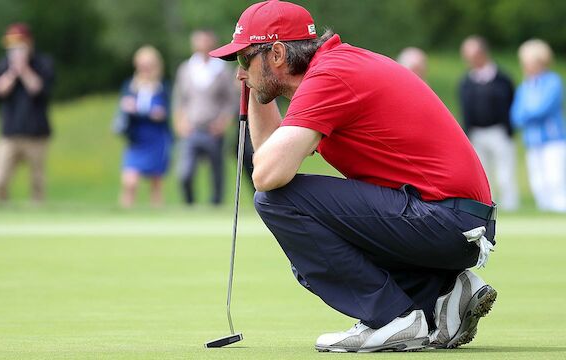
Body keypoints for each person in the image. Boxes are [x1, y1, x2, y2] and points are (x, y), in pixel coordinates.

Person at [210, 0, 497, 353]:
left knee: (280, 203)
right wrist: (257, 90)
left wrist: (256, 90)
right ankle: (442, 292)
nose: (239, 74)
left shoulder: (329, 77)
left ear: (278, 55)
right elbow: (272, 153)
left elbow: (268, 176)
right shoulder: (334, 67)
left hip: (446, 219)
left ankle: (392, 318)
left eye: (244, 60)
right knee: (311, 258)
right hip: (453, 220)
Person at [173, 29, 239, 205]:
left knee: (216, 172)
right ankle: (189, 204)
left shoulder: (222, 69)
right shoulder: (186, 69)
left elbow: (231, 100)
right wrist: (180, 122)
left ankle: (215, 205)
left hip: (213, 129)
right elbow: (179, 99)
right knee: (185, 172)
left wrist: (223, 122)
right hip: (191, 128)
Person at [0, 23, 55, 203]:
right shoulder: (3, 65)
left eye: (20, 44)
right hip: (9, 132)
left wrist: (24, 69)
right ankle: (4, 212)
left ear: (29, 43)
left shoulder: (43, 63)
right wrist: (13, 72)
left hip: (36, 133)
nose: (15, 49)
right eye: (12, 45)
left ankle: (37, 218)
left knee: (37, 182)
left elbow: (38, 89)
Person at [460, 36, 519, 211]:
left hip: (499, 131)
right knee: (482, 175)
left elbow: (511, 102)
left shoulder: (502, 79)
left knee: (505, 173)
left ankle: (510, 206)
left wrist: (509, 128)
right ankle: (487, 208)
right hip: (477, 134)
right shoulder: (466, 82)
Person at [511, 39, 566, 212]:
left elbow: (543, 108)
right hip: (532, 141)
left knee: (554, 179)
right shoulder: (525, 85)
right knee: (538, 182)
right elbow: (516, 115)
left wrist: (528, 113)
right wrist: (528, 113)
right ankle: (546, 212)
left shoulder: (553, 81)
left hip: (553, 140)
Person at [115, 46, 172, 208]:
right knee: (129, 182)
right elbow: (124, 107)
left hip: (156, 138)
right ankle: (124, 216)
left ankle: (156, 220)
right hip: (136, 138)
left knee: (156, 183)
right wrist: (145, 112)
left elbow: (164, 113)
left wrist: (141, 111)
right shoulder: (130, 85)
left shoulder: (162, 87)